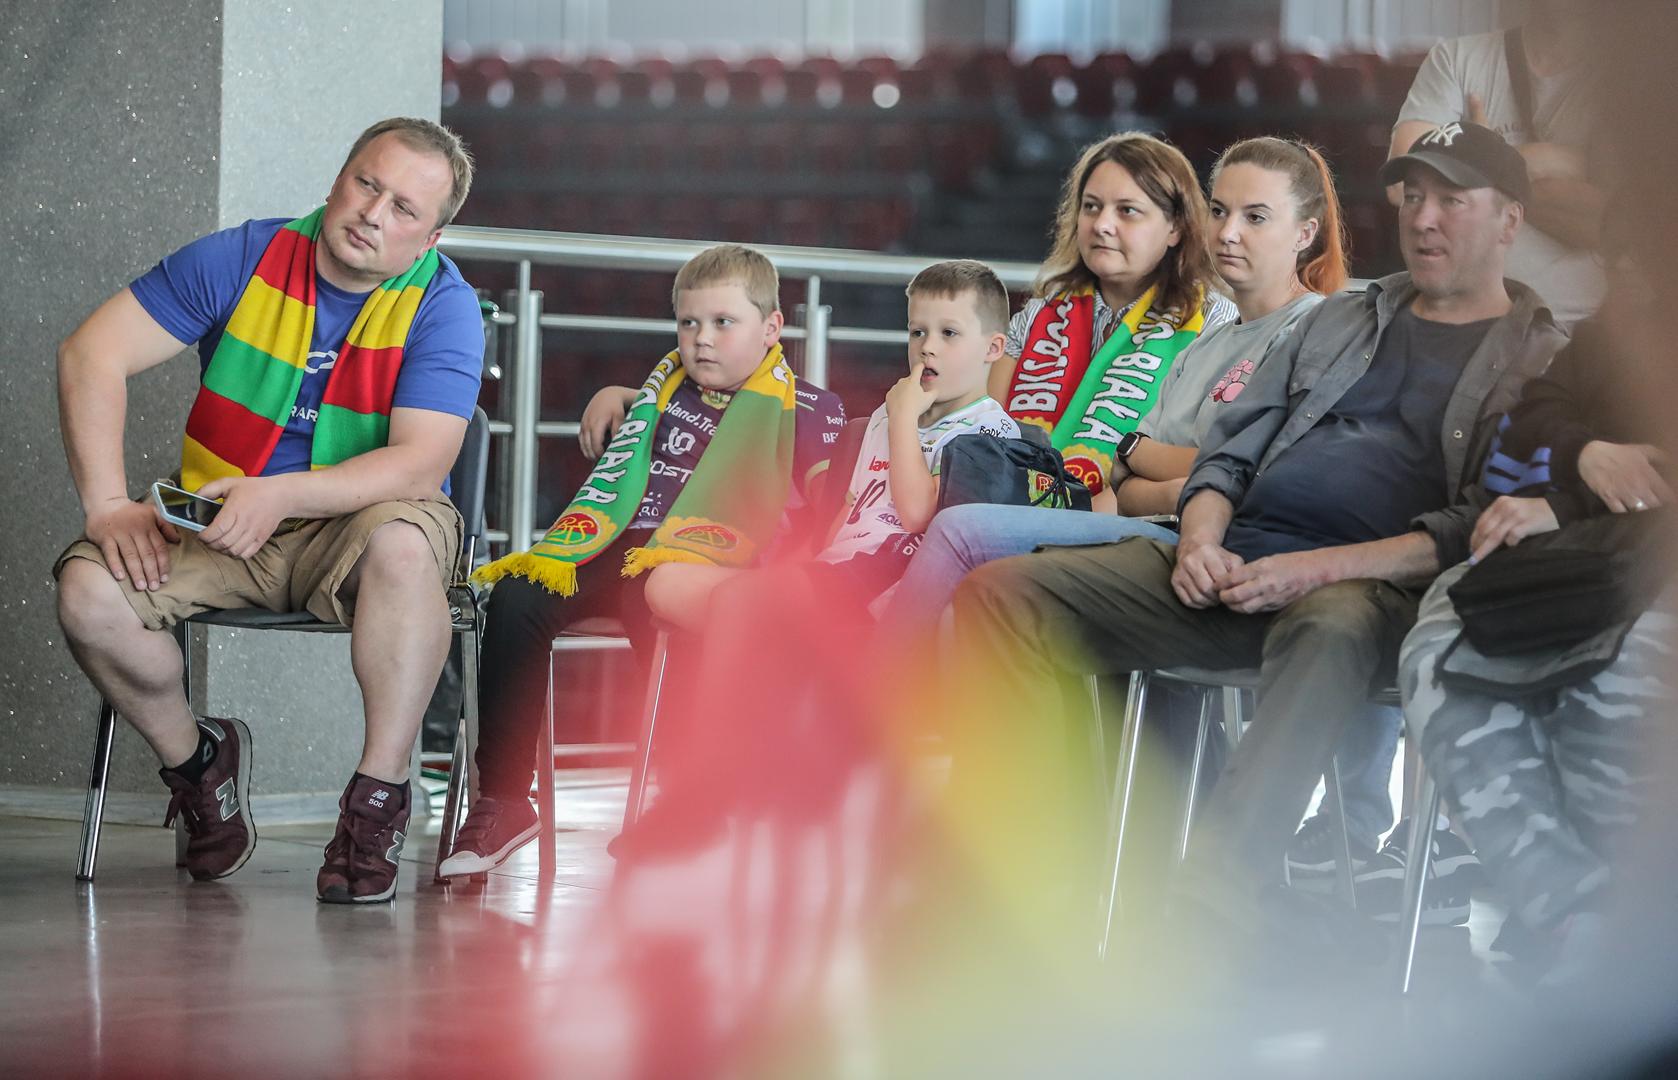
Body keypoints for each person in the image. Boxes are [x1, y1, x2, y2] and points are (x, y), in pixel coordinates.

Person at [944, 122, 1568, 949]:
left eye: (1452, 200)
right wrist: (1199, 541)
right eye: (1414, 195)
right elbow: (1227, 457)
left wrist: (1310, 571)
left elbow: (1471, 531)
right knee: (1002, 595)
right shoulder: (1341, 321)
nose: (1423, 217)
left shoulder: (1539, 360)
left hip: (1374, 592)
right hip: (1234, 558)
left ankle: (1208, 910)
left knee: (1331, 625)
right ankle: (1036, 871)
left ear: (1510, 220)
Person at [53, 118, 485, 904]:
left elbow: (421, 465)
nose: (373, 213)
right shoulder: (244, 255)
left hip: (364, 521)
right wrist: (107, 504)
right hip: (221, 516)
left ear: (430, 238)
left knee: (403, 546)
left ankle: (378, 798)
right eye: (367, 184)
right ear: (338, 179)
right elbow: (91, 354)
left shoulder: (444, 304)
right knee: (87, 593)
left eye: (404, 208)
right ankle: (198, 764)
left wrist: (282, 492)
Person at [438, 244, 846, 877]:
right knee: (517, 593)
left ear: (771, 328)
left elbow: (834, 505)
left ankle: (691, 803)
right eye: (688, 322)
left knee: (657, 602)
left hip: (703, 563)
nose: (702, 339)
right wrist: (614, 393)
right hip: (614, 546)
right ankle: (505, 800)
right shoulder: (661, 391)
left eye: (723, 322)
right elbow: (664, 409)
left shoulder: (809, 410)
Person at [612, 259, 1020, 858]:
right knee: (666, 582)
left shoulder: (992, 433)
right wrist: (798, 564)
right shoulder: (881, 419)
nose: (927, 347)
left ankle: (708, 792)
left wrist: (905, 419)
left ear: (993, 348)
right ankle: (761, 752)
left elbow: (915, 514)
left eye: (949, 333)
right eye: (917, 331)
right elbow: (844, 518)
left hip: (892, 587)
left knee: (744, 608)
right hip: (835, 574)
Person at [1400, 277, 1674, 978]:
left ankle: (1621, 933)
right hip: (1579, 553)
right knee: (1438, 655)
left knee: (1611, 677)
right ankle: (1573, 916)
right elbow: (1538, 410)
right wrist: (1584, 454)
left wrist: (1569, 504)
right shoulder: (1631, 309)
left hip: (1637, 560)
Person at [994, 132, 1236, 505]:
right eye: (1091, 207)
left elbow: (1203, 453)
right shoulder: (1039, 313)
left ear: (1175, 227)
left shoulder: (1211, 318)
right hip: (1011, 502)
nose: (1102, 224)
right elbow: (987, 433)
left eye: (1127, 210)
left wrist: (1075, 520)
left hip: (1129, 517)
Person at [1389, 0, 1606, 329]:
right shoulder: (1457, 59)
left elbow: (1610, 225)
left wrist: (1482, 162)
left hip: (1579, 329)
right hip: (1461, 327)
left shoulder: (1631, 83)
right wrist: (1564, 162)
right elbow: (1401, 186)